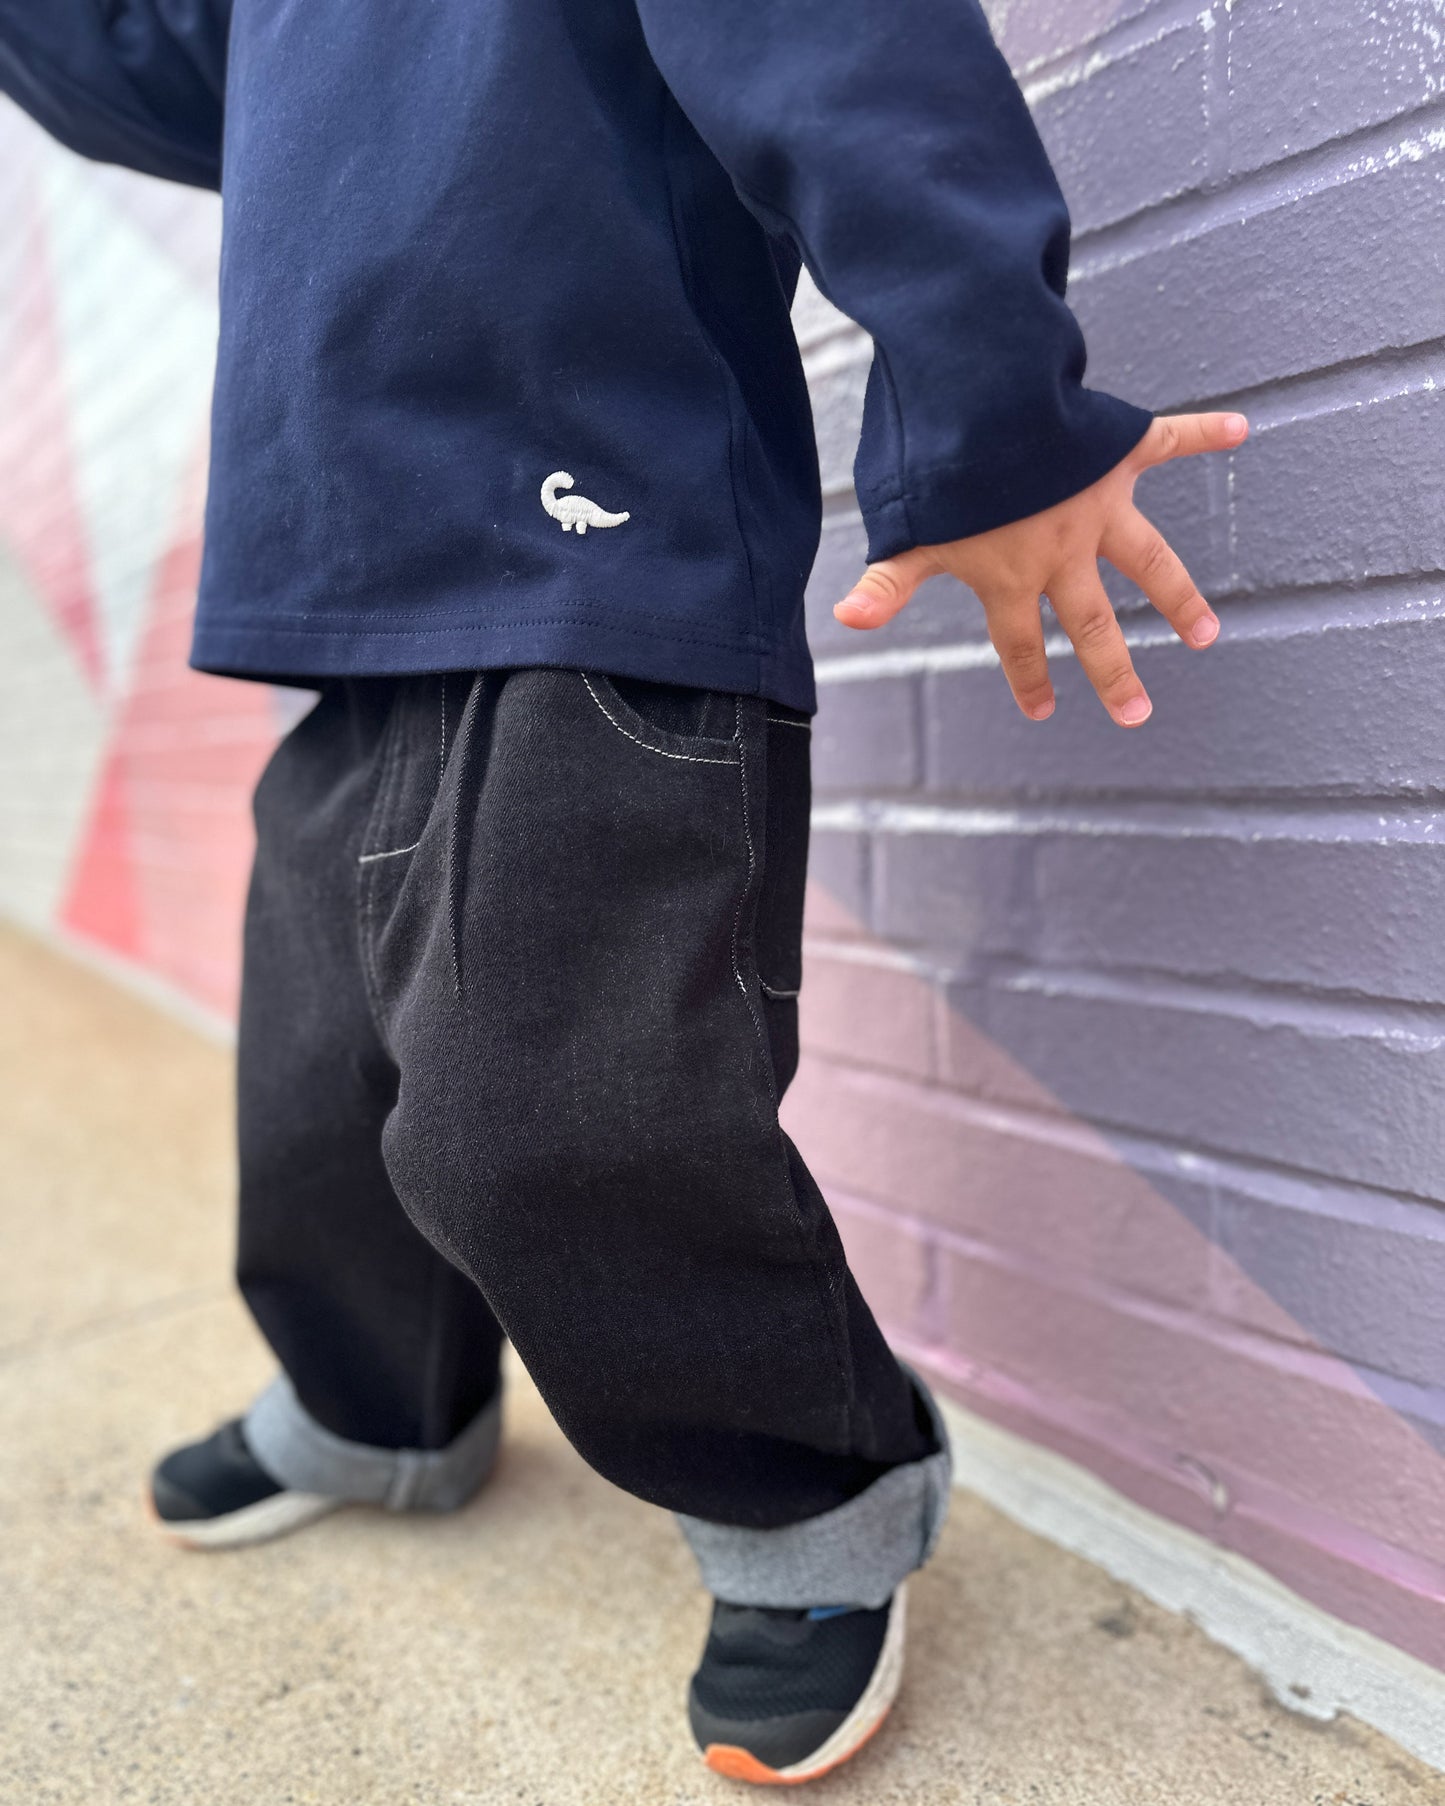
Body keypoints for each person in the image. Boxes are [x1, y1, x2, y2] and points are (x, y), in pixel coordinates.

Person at [0, 0, 1246, 1784]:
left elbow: (844, 42)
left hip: (594, 540)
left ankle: (812, 1496)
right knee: (318, 1088)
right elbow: (178, 87)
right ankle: (378, 1409)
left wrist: (988, 411)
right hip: (349, 574)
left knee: (558, 1117)